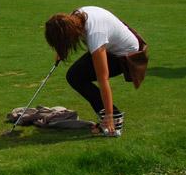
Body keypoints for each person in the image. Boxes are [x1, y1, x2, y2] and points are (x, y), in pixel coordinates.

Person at [44, 7, 144, 136]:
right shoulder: (76, 16)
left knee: (76, 77)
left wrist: (108, 116)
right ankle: (111, 115)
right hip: (111, 46)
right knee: (74, 76)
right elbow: (65, 31)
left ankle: (113, 118)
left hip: (125, 56)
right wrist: (61, 50)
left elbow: (103, 79)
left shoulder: (95, 36)